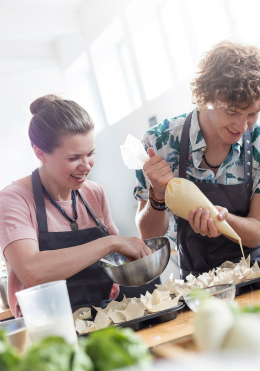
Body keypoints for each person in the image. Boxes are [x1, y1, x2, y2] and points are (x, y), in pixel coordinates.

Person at [134, 40, 260, 279]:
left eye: (253, 114)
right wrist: (157, 192)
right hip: (198, 283)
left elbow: (258, 230)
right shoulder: (160, 143)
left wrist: (220, 220)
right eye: (232, 112)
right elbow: (150, 235)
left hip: (258, 272)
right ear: (207, 96)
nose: (242, 126)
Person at [0, 95, 152, 316]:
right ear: (39, 152)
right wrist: (111, 243)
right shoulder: (14, 200)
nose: (86, 166)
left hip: (105, 318)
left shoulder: (93, 192)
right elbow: (32, 271)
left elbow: (113, 261)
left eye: (90, 154)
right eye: (73, 158)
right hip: (50, 328)